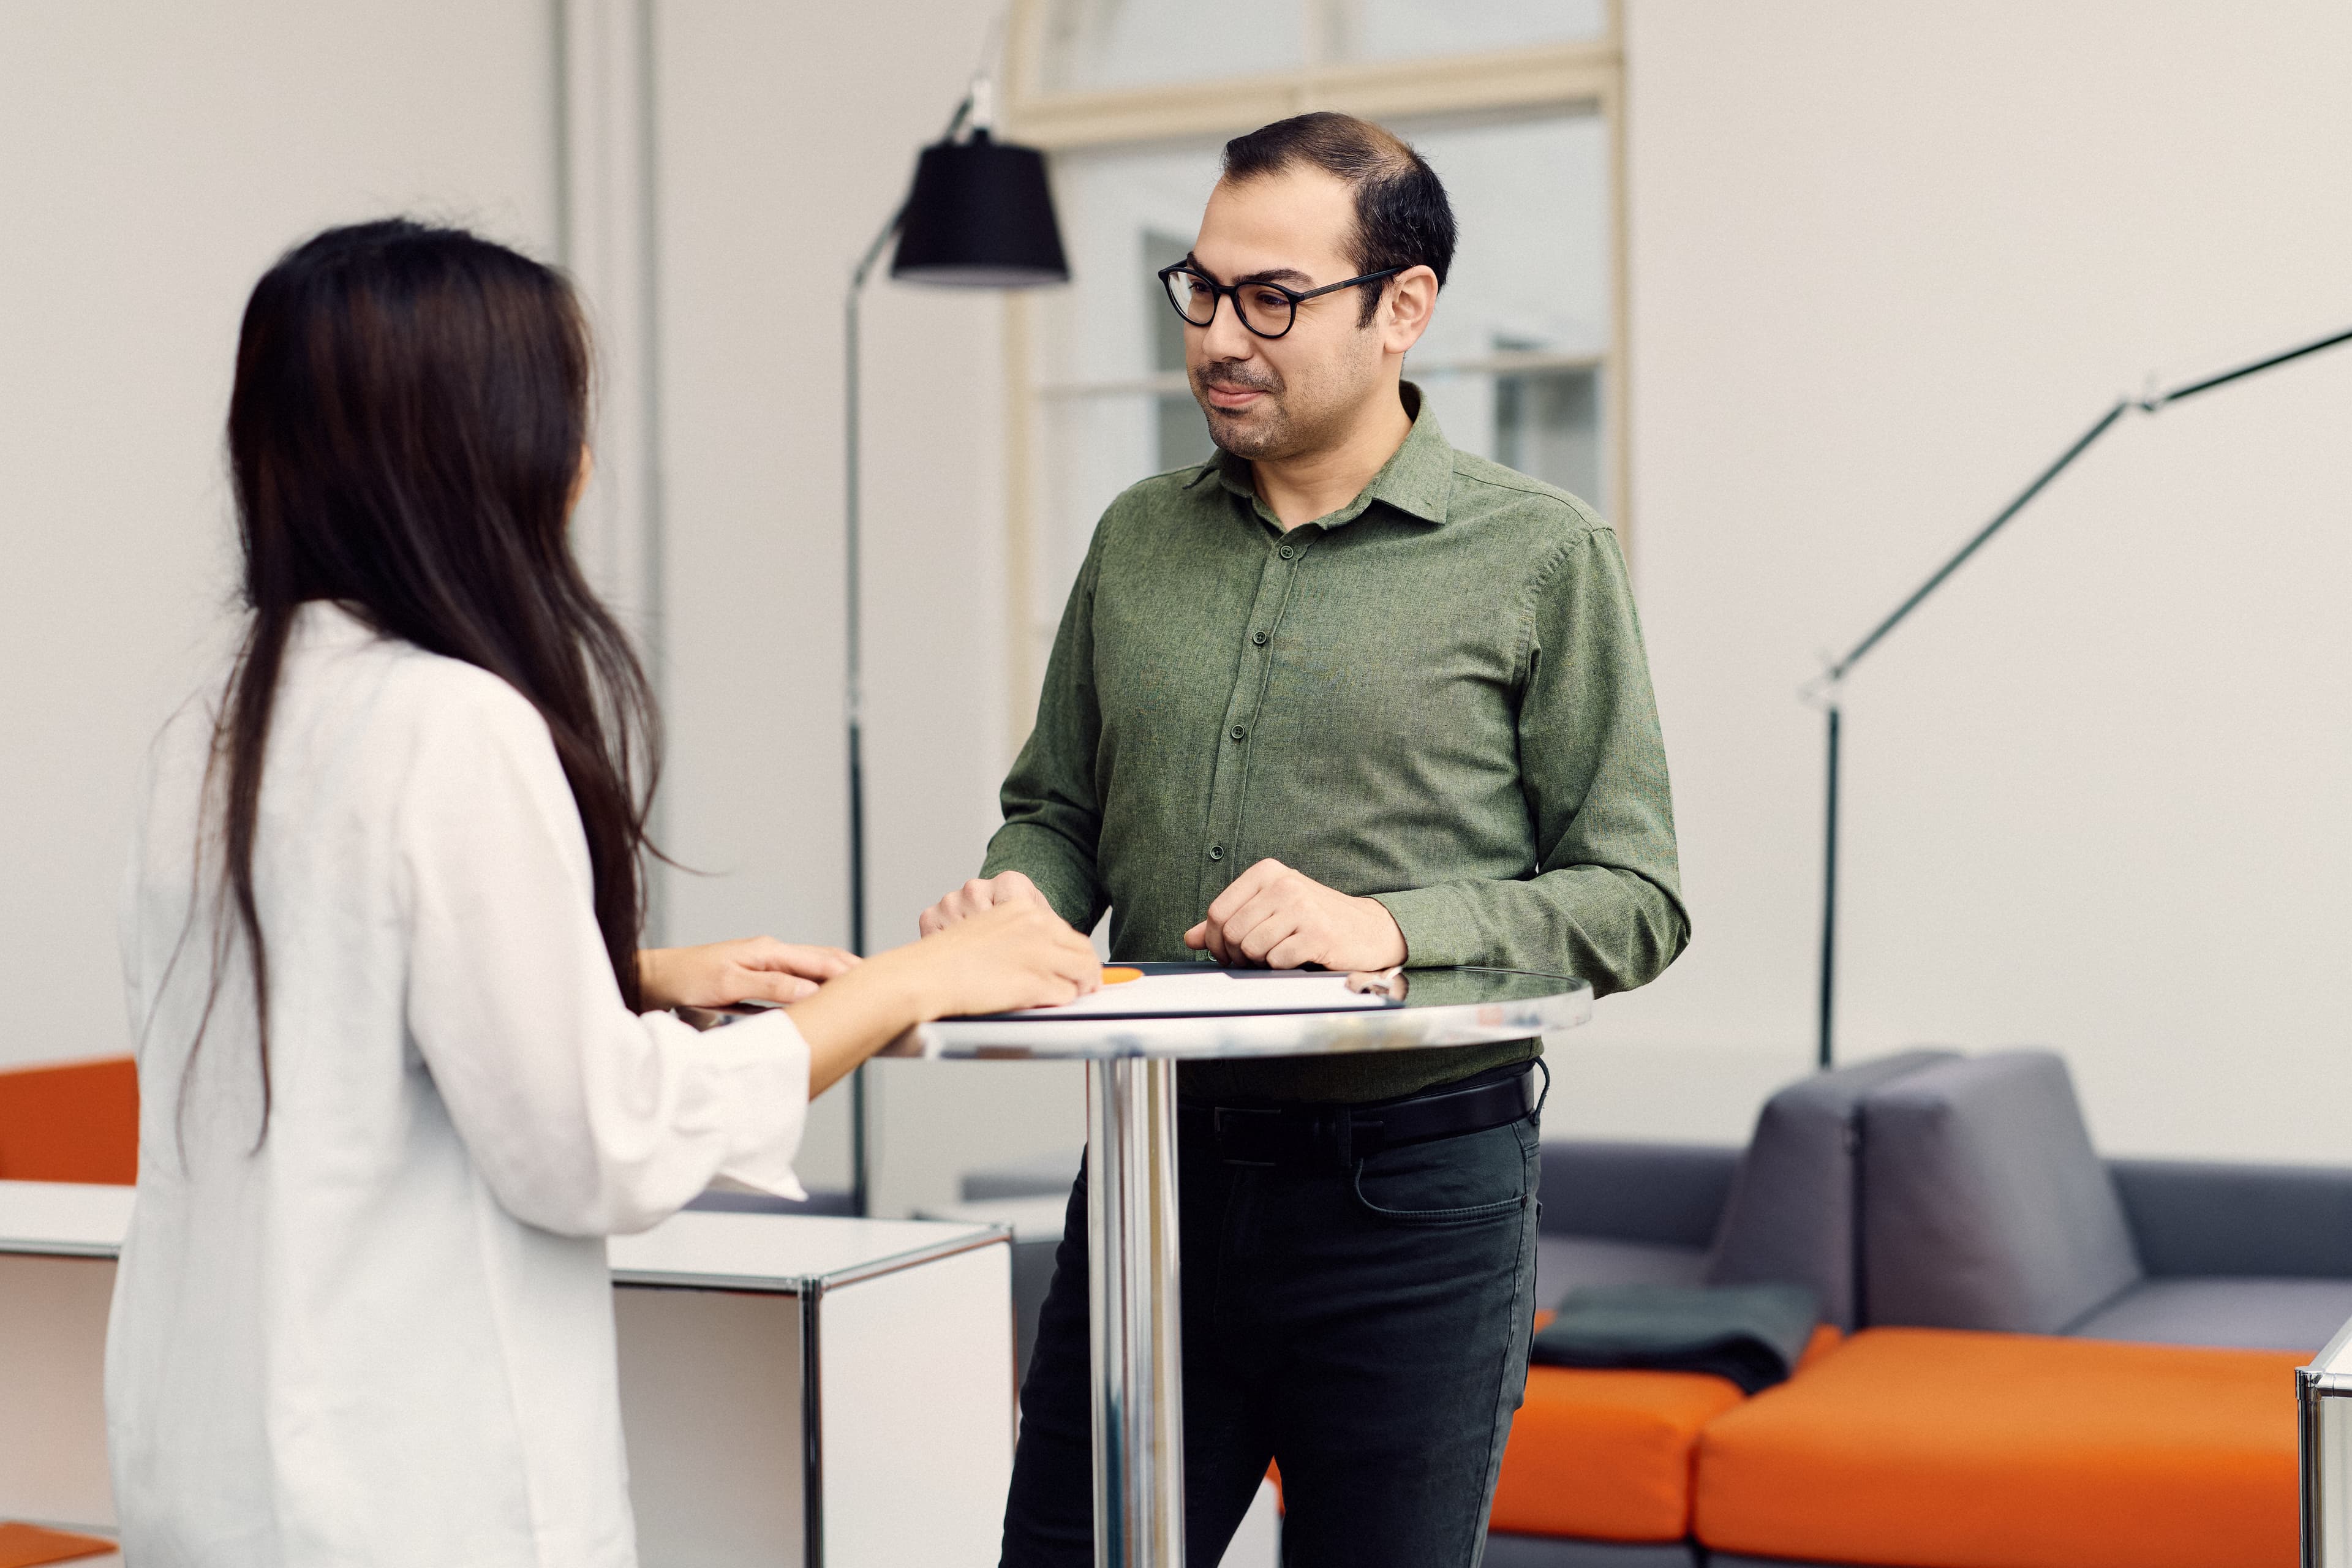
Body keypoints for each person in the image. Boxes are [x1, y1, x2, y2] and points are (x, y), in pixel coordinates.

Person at [108, 219, 1101, 1568]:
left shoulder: (219, 723)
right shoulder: (454, 724)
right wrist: (900, 987)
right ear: (489, 449)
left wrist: (625, 976)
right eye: (563, 414)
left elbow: (326, 984)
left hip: (209, 1464)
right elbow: (599, 1144)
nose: (582, 459)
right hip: (403, 1496)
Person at [921, 113, 1689, 1566]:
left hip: (1414, 1205)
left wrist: (1387, 926)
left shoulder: (1542, 554)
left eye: (1272, 298)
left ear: (1405, 306)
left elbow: (1634, 897)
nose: (1219, 336)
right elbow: (1060, 812)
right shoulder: (1137, 538)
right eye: (1202, 288)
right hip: (1151, 1175)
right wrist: (1017, 902)